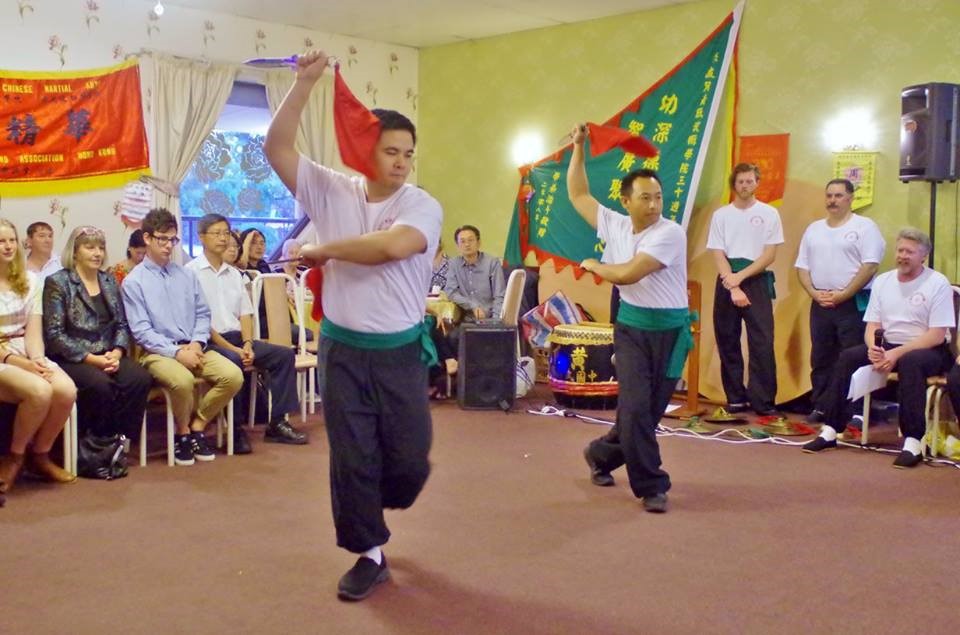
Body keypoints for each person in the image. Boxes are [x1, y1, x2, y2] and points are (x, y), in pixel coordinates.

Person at [265, 49, 442, 601]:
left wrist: (320, 249)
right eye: (391, 150)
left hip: (398, 353)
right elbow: (276, 147)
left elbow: (390, 247)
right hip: (342, 349)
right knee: (352, 456)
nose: (400, 162)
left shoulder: (422, 205)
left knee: (409, 463)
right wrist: (304, 84)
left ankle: (380, 504)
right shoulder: (330, 187)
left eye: (408, 154)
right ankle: (369, 551)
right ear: (367, 147)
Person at [566, 124, 690, 514]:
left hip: (670, 333)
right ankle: (652, 485)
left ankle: (600, 455)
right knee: (635, 408)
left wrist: (594, 264)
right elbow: (578, 193)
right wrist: (578, 147)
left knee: (646, 415)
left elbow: (628, 274)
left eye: (658, 197)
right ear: (626, 201)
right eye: (645, 198)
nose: (654, 205)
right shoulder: (615, 223)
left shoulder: (669, 233)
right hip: (633, 328)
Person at [802, 229, 954, 468]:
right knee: (848, 357)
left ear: (923, 256)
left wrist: (895, 354)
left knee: (910, 362)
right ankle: (831, 430)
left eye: (910, 252)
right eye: (900, 250)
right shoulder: (883, 281)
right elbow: (872, 324)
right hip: (888, 344)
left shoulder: (937, 283)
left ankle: (913, 442)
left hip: (928, 349)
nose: (903, 256)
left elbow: (936, 335)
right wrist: (875, 348)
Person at [121, 208, 244, 467]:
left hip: (193, 345)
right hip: (157, 353)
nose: (168, 246)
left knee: (233, 376)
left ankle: (196, 426)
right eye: (162, 239)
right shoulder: (134, 282)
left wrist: (197, 342)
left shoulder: (186, 274)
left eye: (173, 240)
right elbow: (141, 331)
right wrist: (177, 353)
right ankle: (183, 434)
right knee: (183, 381)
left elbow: (202, 313)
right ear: (146, 238)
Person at [185, 213, 308, 453]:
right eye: (216, 233)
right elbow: (200, 322)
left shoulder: (235, 275)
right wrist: (236, 350)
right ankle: (236, 429)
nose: (223, 239)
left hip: (238, 339)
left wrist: (249, 343)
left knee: (283, 355)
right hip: (209, 341)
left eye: (226, 233)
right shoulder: (190, 273)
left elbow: (245, 315)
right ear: (201, 237)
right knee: (234, 362)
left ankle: (278, 422)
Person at [42, 226, 152, 445]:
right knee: (100, 385)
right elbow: (54, 335)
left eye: (101, 248)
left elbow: (121, 323)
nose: (97, 253)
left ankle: (122, 440)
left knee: (139, 379)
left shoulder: (108, 280)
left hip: (109, 352)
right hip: (73, 356)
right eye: (89, 247)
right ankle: (95, 443)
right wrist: (93, 360)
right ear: (75, 252)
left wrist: (118, 352)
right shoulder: (58, 282)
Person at [796, 179, 885, 422]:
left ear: (850, 198)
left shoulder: (866, 227)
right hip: (821, 302)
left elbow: (870, 266)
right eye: (829, 195)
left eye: (838, 195)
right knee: (822, 356)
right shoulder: (814, 229)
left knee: (853, 355)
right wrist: (814, 293)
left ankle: (854, 410)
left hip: (853, 302)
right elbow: (802, 267)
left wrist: (844, 293)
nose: (832, 200)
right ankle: (822, 406)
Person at [0, 219, 78, 498]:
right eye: (1, 241)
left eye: (11, 240)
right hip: (3, 355)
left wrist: (38, 360)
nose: (7, 246)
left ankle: (40, 455)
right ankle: (15, 457)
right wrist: (22, 364)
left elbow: (33, 330)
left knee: (66, 389)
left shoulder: (30, 280)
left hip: (23, 348)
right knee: (40, 391)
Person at [706, 163, 783, 416]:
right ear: (734, 184)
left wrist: (741, 278)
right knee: (727, 339)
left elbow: (769, 254)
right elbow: (717, 251)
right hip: (726, 278)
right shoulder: (721, 215)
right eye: (740, 182)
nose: (745, 186)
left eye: (750, 181)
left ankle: (763, 401)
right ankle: (735, 398)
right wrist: (730, 280)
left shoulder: (769, 213)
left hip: (755, 278)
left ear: (757, 183)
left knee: (762, 341)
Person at [443, 225, 505, 322]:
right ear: (457, 246)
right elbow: (451, 292)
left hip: (489, 318)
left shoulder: (492, 263)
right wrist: (472, 305)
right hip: (465, 320)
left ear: (478, 242)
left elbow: (499, 296)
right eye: (462, 241)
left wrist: (495, 322)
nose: (467, 244)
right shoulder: (453, 264)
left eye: (470, 240)